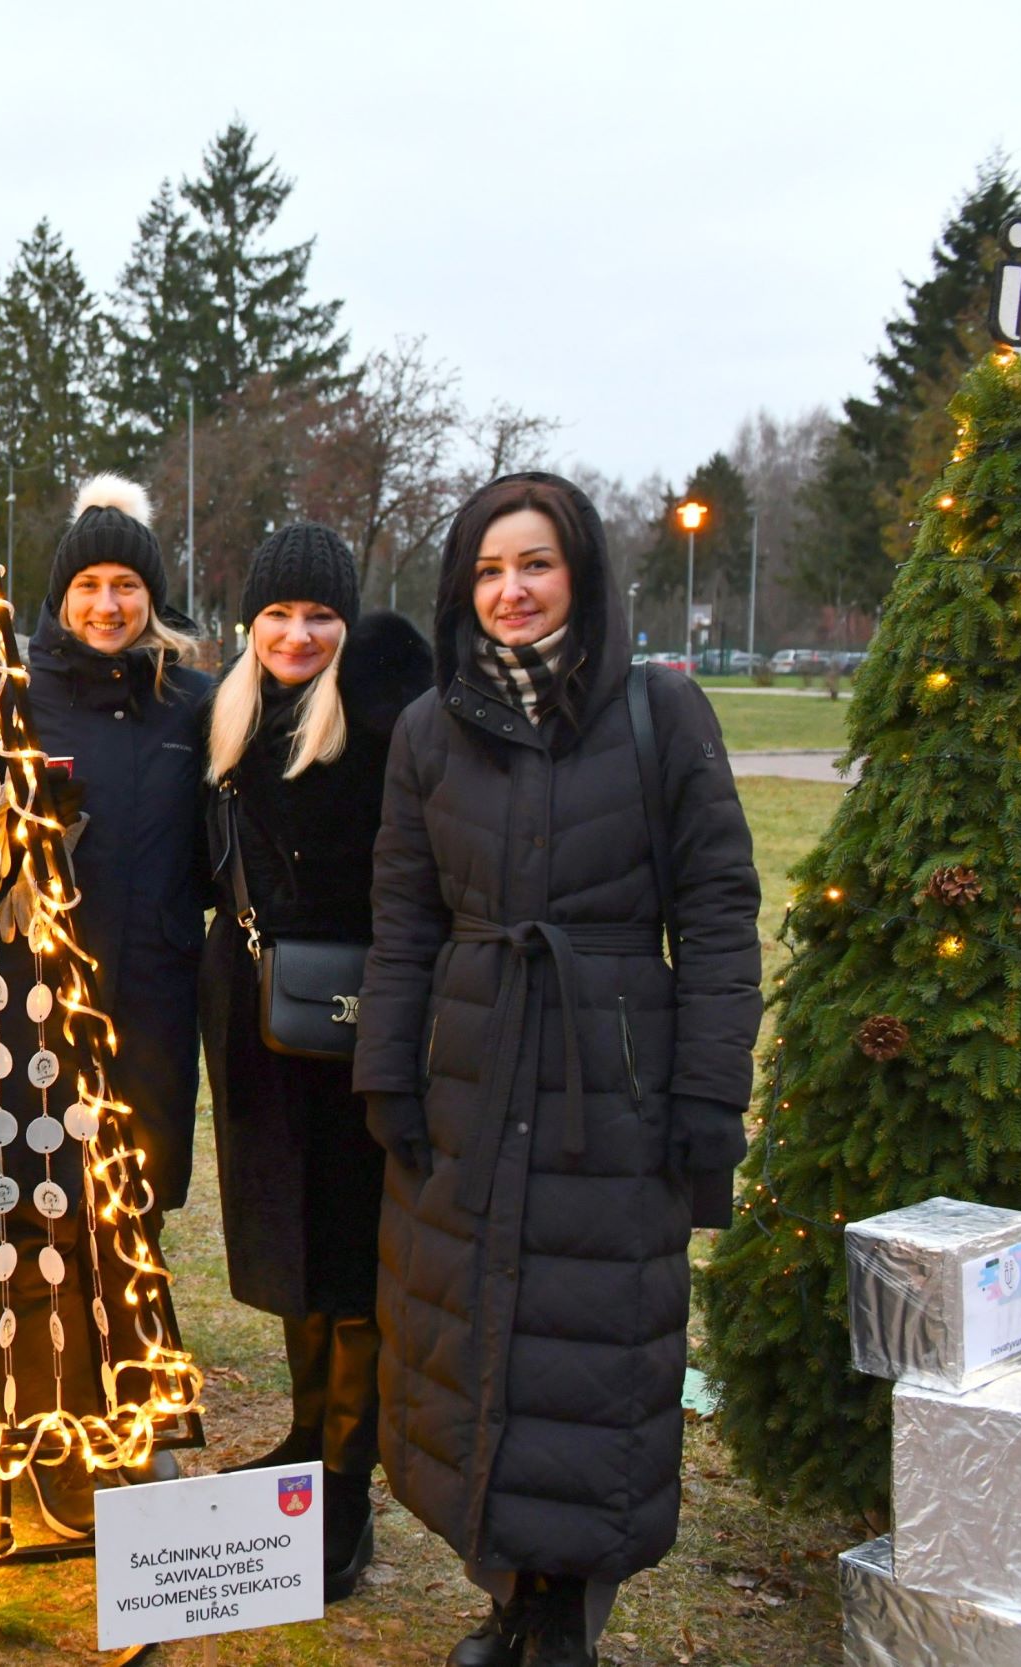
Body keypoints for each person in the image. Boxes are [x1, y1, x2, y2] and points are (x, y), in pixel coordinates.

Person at [354, 474, 761, 1667]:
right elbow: (403, 913)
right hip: (471, 1074)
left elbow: (720, 910)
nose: (509, 591)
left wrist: (704, 1093)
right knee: (475, 1336)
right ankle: (512, 1592)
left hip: (610, 1076)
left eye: (531, 564)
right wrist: (389, 1070)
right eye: (486, 570)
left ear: (577, 571)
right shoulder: (432, 727)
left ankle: (568, 1609)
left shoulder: (659, 714)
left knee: (591, 1339)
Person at [0, 475, 212, 1537]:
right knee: (37, 1219)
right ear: (61, 598)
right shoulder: (9, 695)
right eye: (89, 584)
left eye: (127, 584)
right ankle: (53, 1433)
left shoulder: (190, 702)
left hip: (147, 998)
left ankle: (128, 1418)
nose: (108, 603)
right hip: (27, 1004)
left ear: (151, 595)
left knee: (124, 1217)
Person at [198, 524, 432, 1604]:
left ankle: (343, 1488)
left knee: (349, 1257)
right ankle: (300, 1440)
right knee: (288, 1238)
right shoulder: (231, 714)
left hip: (353, 1016)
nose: (297, 633)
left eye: (319, 615)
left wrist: (378, 659)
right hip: (255, 1018)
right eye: (279, 613)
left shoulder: (379, 717)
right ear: (250, 619)